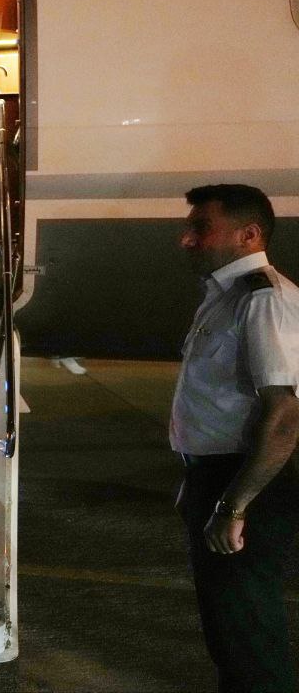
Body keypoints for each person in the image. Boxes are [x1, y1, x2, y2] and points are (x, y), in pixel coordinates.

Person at [171, 183, 299, 692]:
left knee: (248, 637)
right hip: (216, 478)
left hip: (245, 482)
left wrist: (233, 505)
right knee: (229, 634)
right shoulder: (225, 296)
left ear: (249, 235)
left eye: (201, 227)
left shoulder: (263, 300)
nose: (187, 239)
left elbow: (284, 415)